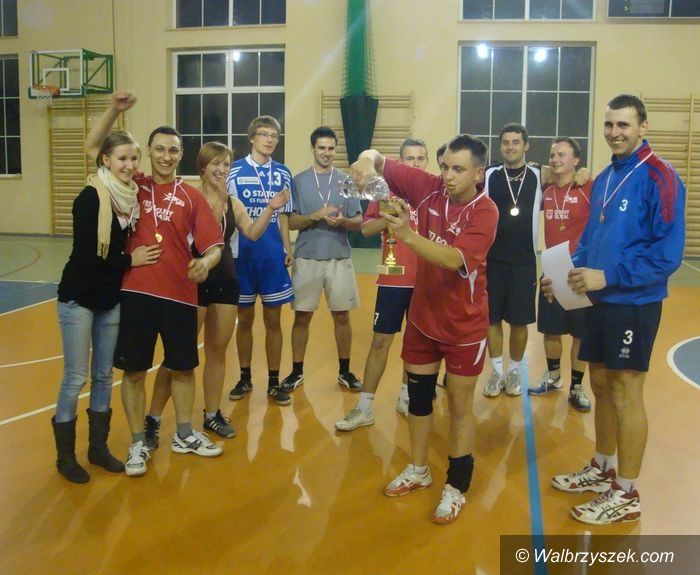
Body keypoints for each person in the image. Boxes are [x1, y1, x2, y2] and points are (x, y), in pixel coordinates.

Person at [543, 94, 685, 524]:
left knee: (626, 390)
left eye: (623, 125)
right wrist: (565, 274)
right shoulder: (605, 177)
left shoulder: (661, 177)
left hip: (634, 303)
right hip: (599, 301)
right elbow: (591, 240)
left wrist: (609, 276)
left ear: (643, 127)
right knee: (601, 385)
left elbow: (667, 255)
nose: (614, 132)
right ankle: (603, 465)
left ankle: (627, 492)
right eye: (609, 124)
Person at [350, 134, 498, 525]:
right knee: (418, 399)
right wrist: (364, 162)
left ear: (478, 173)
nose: (447, 175)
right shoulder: (429, 187)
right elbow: (376, 157)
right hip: (422, 320)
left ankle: (457, 484)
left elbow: (452, 260)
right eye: (445, 166)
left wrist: (406, 234)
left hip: (464, 327)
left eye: (458, 169)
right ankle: (418, 469)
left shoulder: (486, 212)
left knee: (460, 407)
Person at [86, 91, 225, 477]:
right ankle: (137, 443)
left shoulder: (191, 196)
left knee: (183, 369)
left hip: (181, 295)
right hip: (136, 294)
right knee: (133, 372)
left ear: (181, 155)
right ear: (148, 151)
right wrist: (113, 110)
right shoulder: (133, 183)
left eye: (173, 150)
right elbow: (94, 148)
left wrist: (205, 263)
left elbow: (215, 246)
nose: (166, 156)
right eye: (160, 149)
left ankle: (184, 434)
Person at [144, 143, 290, 448]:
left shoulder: (232, 202)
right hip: (191, 281)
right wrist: (217, 199)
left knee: (217, 351)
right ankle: (153, 418)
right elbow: (197, 235)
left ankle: (212, 414)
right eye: (215, 164)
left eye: (226, 164)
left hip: (225, 279)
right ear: (202, 166)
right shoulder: (187, 198)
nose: (221, 169)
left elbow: (251, 233)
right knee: (178, 355)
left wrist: (270, 208)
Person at [52, 131, 161, 483]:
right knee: (75, 378)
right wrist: (131, 260)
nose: (129, 165)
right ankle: (65, 457)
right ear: (106, 160)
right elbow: (88, 257)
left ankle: (97, 449)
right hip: (79, 297)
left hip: (109, 298)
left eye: (133, 158)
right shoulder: (90, 198)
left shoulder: (131, 198)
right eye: (122, 158)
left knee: (103, 375)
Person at [335, 138, 427, 431]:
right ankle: (364, 408)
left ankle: (406, 396)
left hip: (426, 280)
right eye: (409, 158)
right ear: (400, 162)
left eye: (420, 158)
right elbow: (365, 228)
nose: (415, 163)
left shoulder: (432, 193)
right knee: (380, 342)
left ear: (426, 162)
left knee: (416, 344)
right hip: (393, 278)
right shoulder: (386, 189)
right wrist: (388, 218)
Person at [279, 127, 363, 393]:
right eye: (321, 148)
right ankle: (296, 371)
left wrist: (343, 221)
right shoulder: (299, 181)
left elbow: (359, 221)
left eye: (330, 148)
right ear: (313, 149)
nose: (326, 153)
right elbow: (292, 222)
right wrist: (314, 215)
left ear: (335, 150)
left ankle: (345, 371)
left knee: (342, 317)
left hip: (339, 257)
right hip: (307, 257)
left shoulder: (346, 181)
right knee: (302, 317)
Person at [226, 116, 295, 406]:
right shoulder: (233, 170)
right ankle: (244, 377)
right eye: (264, 134)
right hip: (241, 257)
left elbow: (284, 216)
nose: (269, 140)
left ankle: (274, 382)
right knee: (244, 321)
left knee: (273, 321)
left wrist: (288, 246)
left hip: (271, 258)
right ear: (252, 137)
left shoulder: (283, 173)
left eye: (274, 136)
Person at [528, 137, 592, 411]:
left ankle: (577, 386)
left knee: (580, 333)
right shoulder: (546, 190)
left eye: (562, 155)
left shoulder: (588, 186)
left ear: (576, 160)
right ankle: (553, 377)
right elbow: (533, 169)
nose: (555, 159)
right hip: (552, 270)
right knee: (551, 330)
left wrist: (586, 172)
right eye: (552, 155)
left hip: (579, 271)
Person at [481, 123, 544, 398]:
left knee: (520, 321)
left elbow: (569, 174)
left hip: (524, 262)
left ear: (526, 145)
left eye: (516, 142)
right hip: (492, 260)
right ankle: (496, 372)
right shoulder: (489, 175)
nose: (510, 147)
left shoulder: (540, 175)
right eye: (505, 142)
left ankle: (515, 369)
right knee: (492, 318)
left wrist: (582, 172)